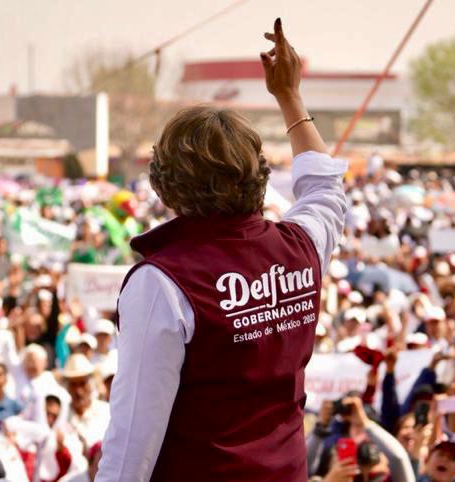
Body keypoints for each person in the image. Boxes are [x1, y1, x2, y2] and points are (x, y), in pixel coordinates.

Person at [97, 18, 347, 481]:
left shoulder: (162, 283)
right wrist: (289, 96)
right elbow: (325, 189)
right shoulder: (302, 248)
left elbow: (131, 443)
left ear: (164, 185)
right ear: (259, 175)